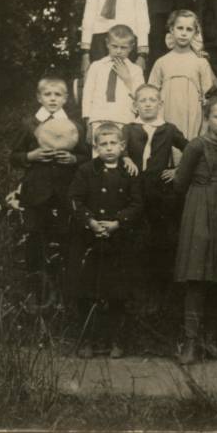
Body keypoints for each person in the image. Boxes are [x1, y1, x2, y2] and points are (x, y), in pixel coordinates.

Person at [9, 75, 89, 309]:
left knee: (67, 240)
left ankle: (65, 299)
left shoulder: (75, 125)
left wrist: (73, 158)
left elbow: (86, 155)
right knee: (35, 239)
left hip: (65, 192)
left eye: (57, 95)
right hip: (36, 192)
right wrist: (30, 156)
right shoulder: (30, 124)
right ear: (39, 97)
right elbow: (13, 156)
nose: (52, 99)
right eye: (47, 94)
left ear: (65, 98)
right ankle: (37, 298)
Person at [67, 122, 144, 359]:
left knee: (117, 292)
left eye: (113, 143)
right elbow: (75, 199)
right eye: (104, 144)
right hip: (90, 239)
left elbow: (137, 204)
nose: (109, 148)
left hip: (118, 239)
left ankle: (116, 341)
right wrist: (90, 222)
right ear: (96, 147)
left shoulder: (129, 172)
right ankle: (88, 340)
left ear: (122, 146)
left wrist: (118, 223)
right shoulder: (86, 170)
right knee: (88, 290)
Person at [173, 92, 217, 365]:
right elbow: (180, 183)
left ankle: (212, 341)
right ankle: (190, 343)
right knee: (196, 275)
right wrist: (196, 208)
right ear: (207, 119)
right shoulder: (196, 146)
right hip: (199, 208)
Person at [123, 84, 188, 310]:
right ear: (135, 105)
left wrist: (178, 170)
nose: (148, 104)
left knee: (161, 238)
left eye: (153, 100)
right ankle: (135, 295)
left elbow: (190, 149)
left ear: (160, 105)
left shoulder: (168, 129)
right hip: (135, 189)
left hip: (160, 192)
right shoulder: (129, 129)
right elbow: (117, 148)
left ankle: (162, 295)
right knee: (136, 237)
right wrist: (125, 158)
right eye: (143, 100)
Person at [147, 10, 216, 143]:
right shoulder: (161, 62)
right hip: (167, 111)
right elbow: (152, 92)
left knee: (190, 146)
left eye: (189, 29)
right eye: (180, 28)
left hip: (192, 113)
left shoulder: (200, 62)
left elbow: (208, 94)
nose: (184, 33)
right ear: (172, 30)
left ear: (195, 33)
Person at [81, 25, 146, 141]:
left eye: (123, 47)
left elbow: (141, 97)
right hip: (98, 117)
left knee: (122, 154)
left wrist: (128, 79)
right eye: (114, 46)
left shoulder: (136, 70)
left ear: (131, 47)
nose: (118, 51)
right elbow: (87, 95)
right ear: (107, 44)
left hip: (124, 118)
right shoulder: (96, 66)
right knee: (99, 153)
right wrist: (88, 121)